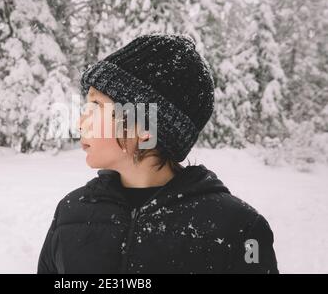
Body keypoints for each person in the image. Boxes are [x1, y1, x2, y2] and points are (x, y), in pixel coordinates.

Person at [37, 33, 279, 274]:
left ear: (143, 126)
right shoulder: (70, 213)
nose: (80, 122)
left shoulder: (239, 230)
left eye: (96, 105)